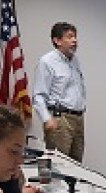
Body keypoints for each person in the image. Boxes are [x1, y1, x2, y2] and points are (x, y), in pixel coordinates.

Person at [32, 21, 87, 161]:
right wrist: (47, 119)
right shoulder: (47, 61)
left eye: (75, 36)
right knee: (59, 164)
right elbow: (38, 95)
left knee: (76, 164)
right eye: (69, 37)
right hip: (60, 119)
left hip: (77, 119)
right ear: (57, 41)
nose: (74, 40)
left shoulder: (75, 61)